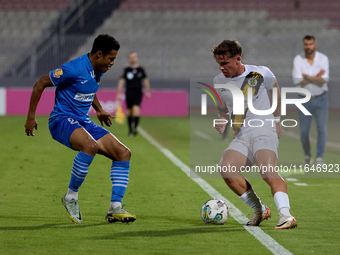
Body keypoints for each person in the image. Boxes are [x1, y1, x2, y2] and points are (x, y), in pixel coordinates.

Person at [24, 34, 136, 224]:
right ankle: (71, 197)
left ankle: (115, 208)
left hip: (83, 122)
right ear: (99, 54)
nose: (112, 63)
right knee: (90, 146)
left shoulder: (98, 69)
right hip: (61, 120)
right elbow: (40, 83)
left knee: (123, 153)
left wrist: (99, 110)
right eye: (111, 59)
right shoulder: (73, 68)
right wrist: (30, 117)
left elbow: (88, 89)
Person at [213, 40, 297, 229]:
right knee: (226, 168)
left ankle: (286, 215)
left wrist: (276, 121)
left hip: (263, 129)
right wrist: (222, 119)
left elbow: (275, 90)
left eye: (225, 63)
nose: (221, 67)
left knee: (267, 171)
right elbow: (223, 107)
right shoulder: (218, 81)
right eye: (219, 63)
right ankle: (260, 209)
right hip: (242, 135)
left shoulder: (259, 74)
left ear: (238, 59)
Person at [292, 35, 329, 166]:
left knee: (322, 129)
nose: (309, 47)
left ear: (315, 44)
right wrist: (316, 77)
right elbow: (297, 81)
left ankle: (319, 157)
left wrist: (306, 76)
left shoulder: (323, 58)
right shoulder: (298, 59)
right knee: (304, 131)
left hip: (321, 98)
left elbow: (324, 80)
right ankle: (307, 155)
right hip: (304, 99)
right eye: (306, 44)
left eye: (311, 44)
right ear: (303, 45)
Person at [116, 51, 151, 136]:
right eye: (131, 57)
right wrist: (119, 93)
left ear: (136, 58)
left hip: (138, 93)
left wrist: (148, 91)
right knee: (129, 112)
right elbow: (121, 81)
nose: (132, 58)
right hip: (129, 93)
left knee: (136, 110)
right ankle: (130, 129)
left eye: (134, 57)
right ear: (129, 59)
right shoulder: (126, 70)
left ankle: (135, 128)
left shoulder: (141, 70)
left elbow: (145, 80)